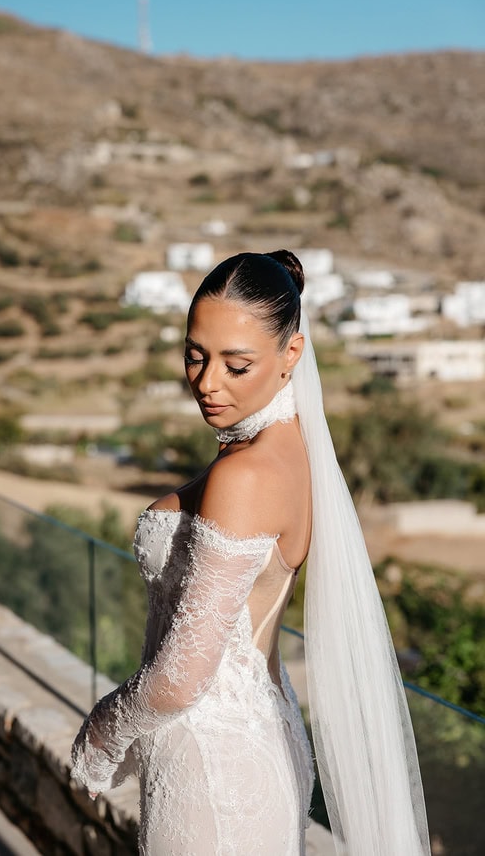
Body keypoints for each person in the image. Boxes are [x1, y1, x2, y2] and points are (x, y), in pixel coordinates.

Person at [71, 251, 430, 856]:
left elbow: (184, 675)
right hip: (252, 737)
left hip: (210, 765)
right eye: (195, 354)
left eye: (237, 364)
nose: (208, 382)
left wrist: (99, 738)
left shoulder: (248, 475)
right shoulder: (286, 451)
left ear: (292, 355)